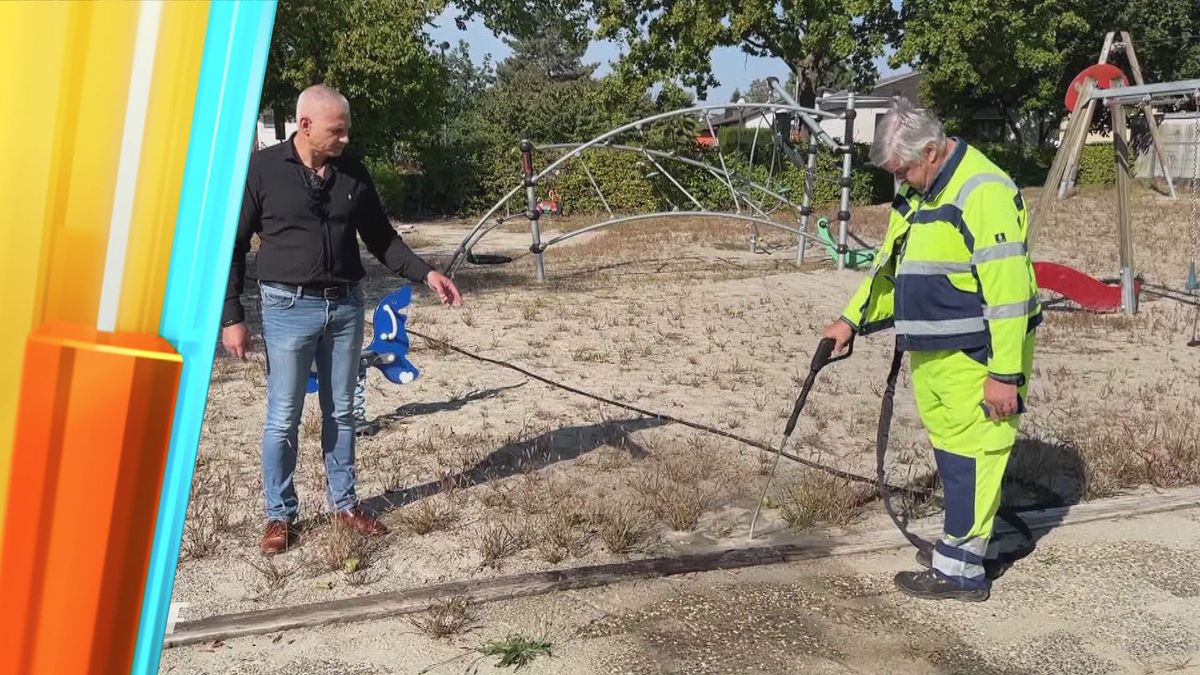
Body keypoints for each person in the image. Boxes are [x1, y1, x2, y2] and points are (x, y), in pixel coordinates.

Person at [221, 84, 463, 555]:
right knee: (283, 416)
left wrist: (426, 273)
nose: (346, 138)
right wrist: (233, 315)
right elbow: (232, 246)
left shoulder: (352, 172)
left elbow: (382, 239)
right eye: (338, 130)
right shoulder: (262, 170)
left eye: (347, 129)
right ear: (305, 126)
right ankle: (279, 515)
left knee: (342, 411)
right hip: (287, 308)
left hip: (346, 307)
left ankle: (346, 503)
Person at [822, 98, 1040, 601]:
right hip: (934, 350)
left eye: (903, 171)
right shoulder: (921, 195)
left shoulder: (981, 192)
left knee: (976, 454)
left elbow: (1008, 294)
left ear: (931, 150)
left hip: (975, 353)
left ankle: (961, 570)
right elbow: (890, 265)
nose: (900, 181)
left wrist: (1004, 374)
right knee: (953, 452)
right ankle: (958, 546)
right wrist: (852, 319)